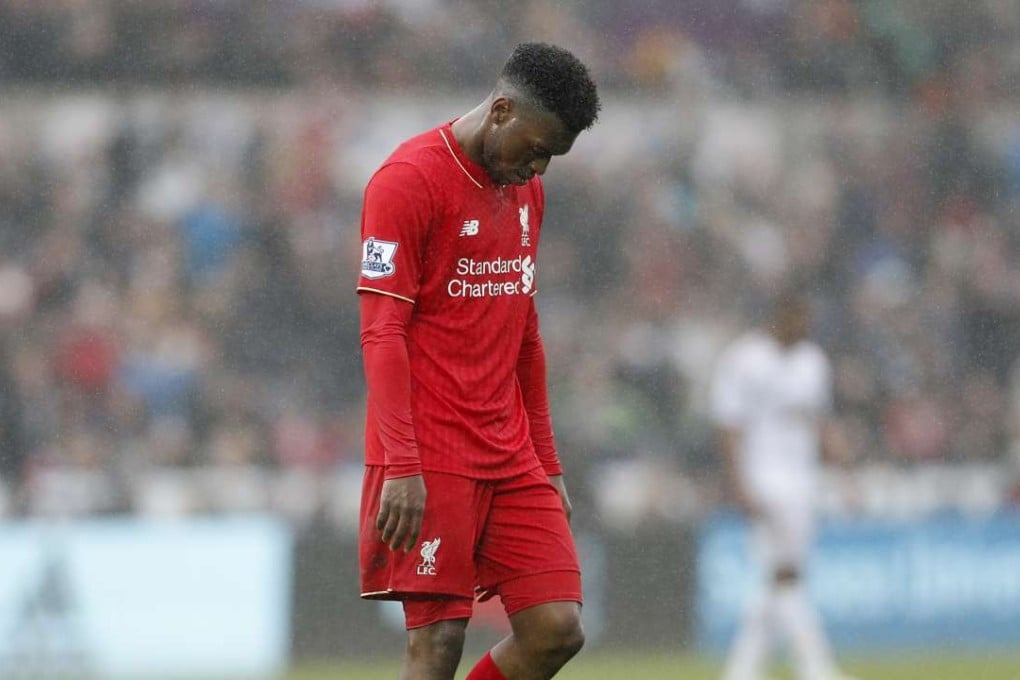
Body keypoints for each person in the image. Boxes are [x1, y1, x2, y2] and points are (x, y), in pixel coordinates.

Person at [356, 43, 600, 680]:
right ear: (499, 111)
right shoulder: (407, 180)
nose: (539, 167)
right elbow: (382, 332)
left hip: (509, 449)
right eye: (535, 147)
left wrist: (547, 462)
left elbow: (525, 334)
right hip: (430, 450)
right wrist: (401, 465)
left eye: (552, 157)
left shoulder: (527, 192)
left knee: (556, 630)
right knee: (437, 645)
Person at [709, 294, 856, 680]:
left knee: (780, 579)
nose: (805, 326)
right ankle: (817, 668)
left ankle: (741, 671)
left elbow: (822, 423)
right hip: (763, 479)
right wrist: (738, 482)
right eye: (800, 317)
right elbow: (728, 425)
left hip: (802, 483)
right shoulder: (744, 359)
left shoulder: (812, 362)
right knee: (786, 575)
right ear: (781, 316)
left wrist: (845, 476)